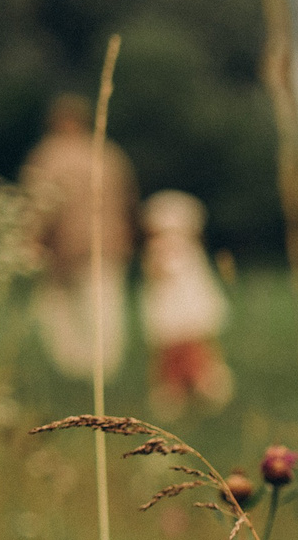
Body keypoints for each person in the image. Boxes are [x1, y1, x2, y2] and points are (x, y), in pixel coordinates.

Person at [20, 94, 137, 380]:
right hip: (107, 243)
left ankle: (72, 368)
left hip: (64, 247)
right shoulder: (108, 154)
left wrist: (31, 240)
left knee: (60, 309)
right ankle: (103, 369)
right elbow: (128, 200)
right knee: (104, 307)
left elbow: (38, 205)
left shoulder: (48, 155)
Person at [139, 190, 233, 413]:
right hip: (169, 310)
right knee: (172, 353)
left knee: (196, 349)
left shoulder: (189, 252)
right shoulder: (159, 252)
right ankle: (175, 388)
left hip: (188, 309)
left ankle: (203, 383)